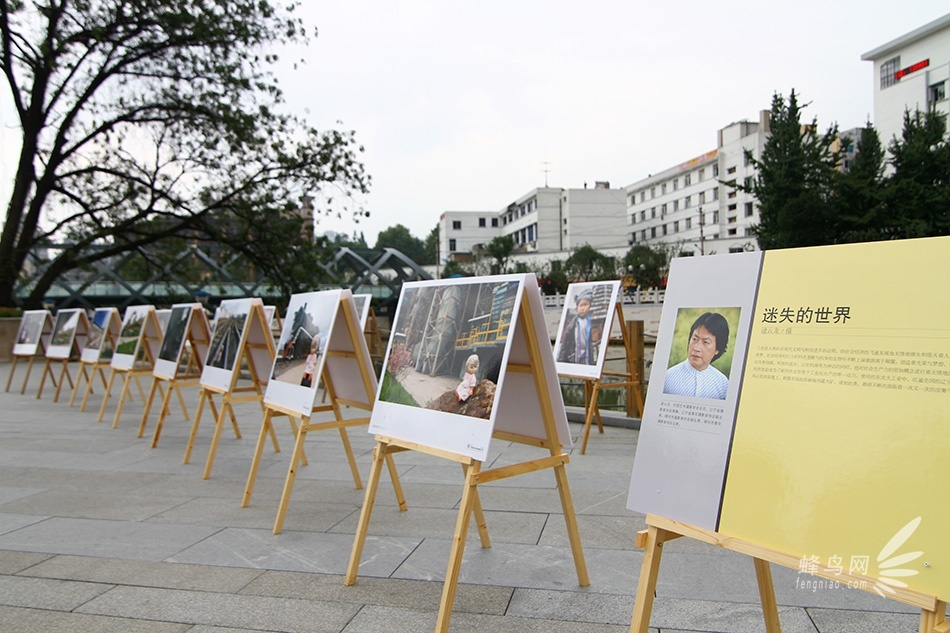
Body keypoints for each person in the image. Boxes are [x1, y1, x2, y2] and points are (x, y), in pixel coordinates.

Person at [663, 312, 730, 400]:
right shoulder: (668, 378)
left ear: (717, 349)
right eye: (694, 339)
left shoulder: (722, 384)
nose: (696, 348)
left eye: (705, 342)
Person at [557, 288, 598, 365]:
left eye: (585, 305)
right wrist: (561, 358)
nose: (582, 308)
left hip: (586, 354)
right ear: (577, 307)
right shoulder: (573, 323)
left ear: (590, 306)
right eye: (580, 305)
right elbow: (566, 341)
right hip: (574, 353)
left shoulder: (590, 322)